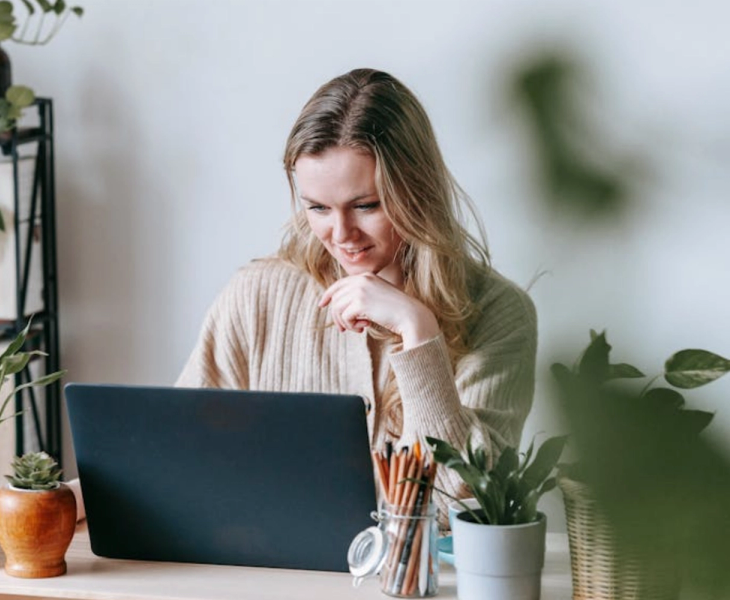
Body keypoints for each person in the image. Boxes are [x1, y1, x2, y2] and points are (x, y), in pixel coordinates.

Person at [176, 68, 537, 519]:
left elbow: (465, 505)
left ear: (416, 192)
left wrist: (419, 333)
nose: (341, 233)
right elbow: (180, 454)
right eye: (318, 208)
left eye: (366, 206)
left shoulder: (500, 313)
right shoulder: (256, 296)